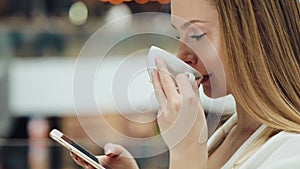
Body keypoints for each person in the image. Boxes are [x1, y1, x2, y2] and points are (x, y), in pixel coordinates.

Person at [71, 0, 300, 168]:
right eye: (179, 35)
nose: (182, 55)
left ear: (256, 30)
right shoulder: (232, 134)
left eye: (197, 35)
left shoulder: (292, 153)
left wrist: (186, 153)